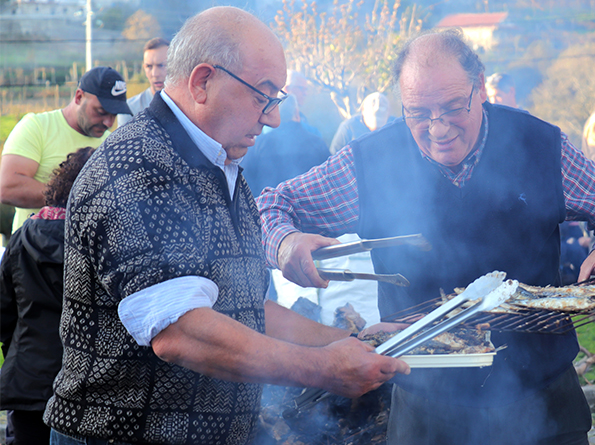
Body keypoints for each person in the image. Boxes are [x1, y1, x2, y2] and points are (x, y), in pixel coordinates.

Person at [259, 28, 595, 445]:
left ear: (480, 86)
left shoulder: (539, 145)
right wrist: (285, 243)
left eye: (452, 107)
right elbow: (270, 206)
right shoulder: (370, 162)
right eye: (418, 113)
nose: (438, 128)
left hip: (543, 393)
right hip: (428, 406)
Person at [43, 7, 408, 445]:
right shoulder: (136, 166)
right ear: (202, 82)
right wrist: (324, 368)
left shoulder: (220, 167)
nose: (273, 118)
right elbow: (181, 332)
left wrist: (352, 340)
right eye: (262, 96)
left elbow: (244, 307)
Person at [0, 147, 94, 445]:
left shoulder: (22, 237)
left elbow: (3, 314)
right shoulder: (101, 244)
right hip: (84, 384)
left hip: (28, 378)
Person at [0, 66, 130, 233]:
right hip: (35, 247)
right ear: (79, 97)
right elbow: (8, 188)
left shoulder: (111, 145)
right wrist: (74, 198)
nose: (109, 123)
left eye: (114, 115)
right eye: (101, 111)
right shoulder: (37, 127)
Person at [240, 93, 329, 197]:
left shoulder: (259, 144)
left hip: (266, 205)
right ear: (296, 113)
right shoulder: (317, 143)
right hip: (310, 205)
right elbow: (329, 181)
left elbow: (244, 181)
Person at [117, 37, 169, 127]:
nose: (155, 74)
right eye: (149, 66)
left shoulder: (188, 106)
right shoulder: (130, 109)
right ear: (144, 68)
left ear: (174, 65)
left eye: (161, 65)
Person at [284, 69, 322, 137]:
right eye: (301, 88)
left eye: (306, 89)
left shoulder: (303, 118)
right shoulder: (274, 117)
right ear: (287, 89)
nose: (305, 93)